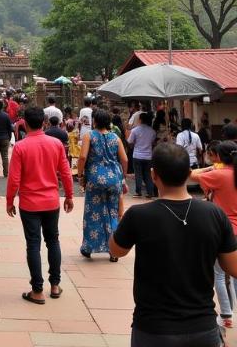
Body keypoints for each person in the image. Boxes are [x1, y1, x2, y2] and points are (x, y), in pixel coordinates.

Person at [109, 143, 237, 347]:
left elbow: (116, 250)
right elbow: (233, 267)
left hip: (154, 328)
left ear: (153, 175)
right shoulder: (214, 214)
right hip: (202, 326)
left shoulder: (139, 215)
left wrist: (118, 218)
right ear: (188, 173)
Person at [6, 106, 74, 305]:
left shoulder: (20, 146)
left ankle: (37, 289)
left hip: (29, 203)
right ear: (44, 122)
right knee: (53, 240)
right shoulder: (56, 144)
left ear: (25, 123)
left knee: (33, 244)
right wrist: (69, 196)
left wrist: (10, 200)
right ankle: (55, 284)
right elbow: (66, 172)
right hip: (51, 200)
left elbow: (14, 179)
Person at [195, 141, 237, 330]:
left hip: (225, 230)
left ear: (219, 157)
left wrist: (210, 168)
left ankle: (227, 313)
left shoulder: (220, 175)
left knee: (219, 275)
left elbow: (190, 175)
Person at [77, 110, 128, 260]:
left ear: (95, 121)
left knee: (93, 213)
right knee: (113, 212)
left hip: (95, 178)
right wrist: (122, 176)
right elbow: (124, 160)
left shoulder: (89, 136)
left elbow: (82, 157)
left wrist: (80, 175)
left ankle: (89, 247)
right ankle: (113, 251)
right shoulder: (115, 138)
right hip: (114, 179)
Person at [129, 112, 157, 198]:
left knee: (138, 174)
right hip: (148, 156)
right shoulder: (152, 131)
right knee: (148, 174)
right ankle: (150, 192)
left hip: (137, 155)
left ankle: (138, 192)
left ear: (140, 120)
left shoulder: (135, 130)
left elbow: (130, 141)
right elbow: (153, 142)